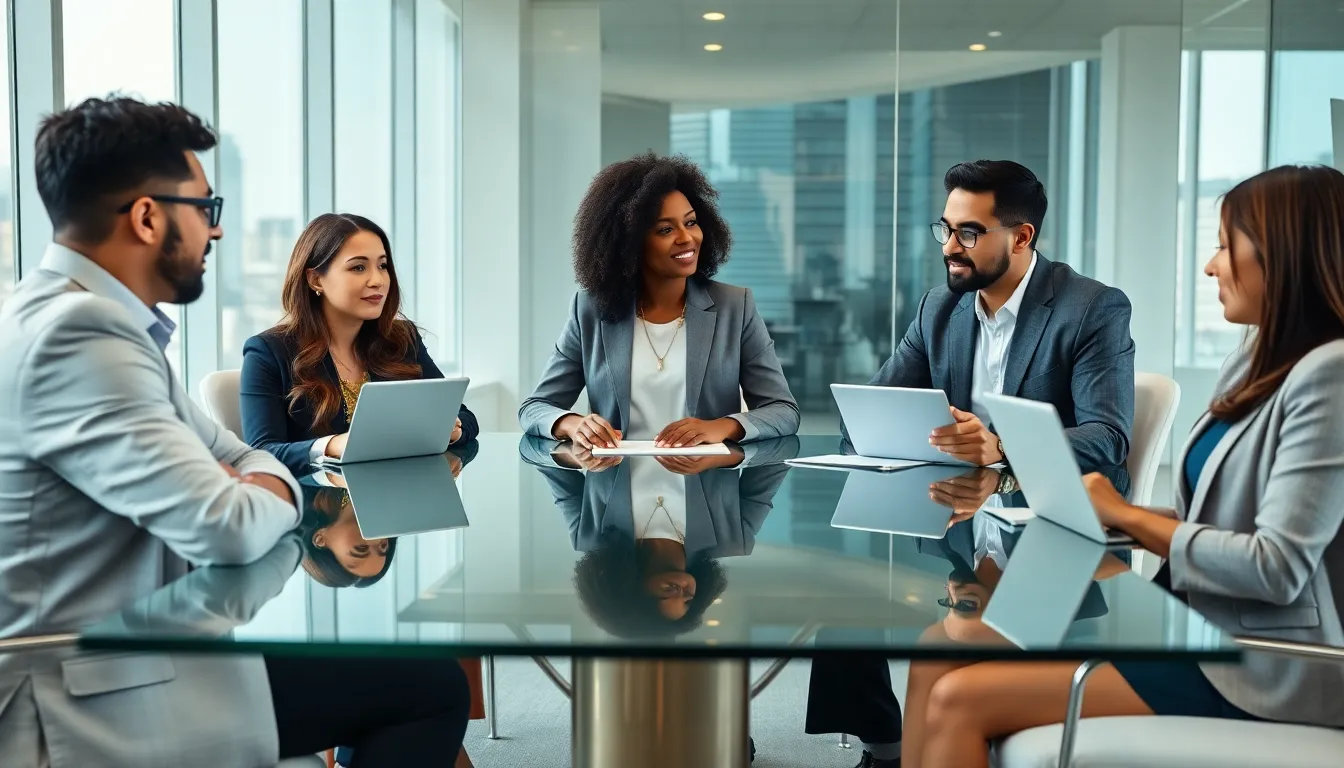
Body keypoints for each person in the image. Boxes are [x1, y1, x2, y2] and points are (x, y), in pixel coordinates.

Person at [0, 96, 469, 768]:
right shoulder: (81, 335)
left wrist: (255, 476)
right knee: (427, 687)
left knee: (405, 676)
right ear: (147, 216)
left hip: (136, 651)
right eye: (206, 210)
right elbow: (225, 524)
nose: (215, 233)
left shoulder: (70, 317)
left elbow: (243, 457)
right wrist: (265, 484)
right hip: (87, 690)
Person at [902, 165, 1344, 768]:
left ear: (1286, 255)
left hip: (1262, 662)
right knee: (936, 652)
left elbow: (1276, 567)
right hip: (1192, 626)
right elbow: (1216, 521)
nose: (1212, 266)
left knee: (960, 700)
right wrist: (1122, 515)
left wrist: (1124, 515)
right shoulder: (1254, 364)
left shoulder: (1330, 376)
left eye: (1223, 245)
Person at [810, 159, 1137, 768]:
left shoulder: (1091, 309)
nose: (950, 249)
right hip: (952, 525)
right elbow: (878, 407)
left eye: (968, 233)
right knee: (845, 593)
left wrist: (1004, 446)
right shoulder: (942, 307)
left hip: (1048, 532)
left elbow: (1108, 437)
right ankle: (884, 746)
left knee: (941, 643)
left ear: (1021, 237)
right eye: (946, 229)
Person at [518, 152, 800, 449]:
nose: (686, 238)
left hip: (706, 485)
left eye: (691, 223)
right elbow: (535, 408)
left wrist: (721, 427)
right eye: (665, 229)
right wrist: (574, 424)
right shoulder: (589, 310)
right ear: (629, 242)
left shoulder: (735, 306)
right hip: (615, 485)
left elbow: (783, 411)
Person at [240, 213, 478, 477]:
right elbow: (262, 453)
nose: (377, 280)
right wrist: (332, 446)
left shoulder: (402, 339)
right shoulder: (268, 351)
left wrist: (453, 431)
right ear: (315, 279)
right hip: (318, 511)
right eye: (358, 267)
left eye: (383, 266)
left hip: (395, 502)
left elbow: (464, 416)